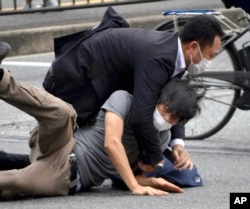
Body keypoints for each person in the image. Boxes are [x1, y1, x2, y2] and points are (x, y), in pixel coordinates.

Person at [42, 7, 224, 169]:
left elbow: (173, 99)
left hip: (92, 80)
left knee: (63, 161)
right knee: (59, 158)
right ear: (193, 47)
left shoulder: (174, 53)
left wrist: (178, 144)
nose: (209, 62)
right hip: (71, 80)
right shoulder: (161, 58)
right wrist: (156, 161)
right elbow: (140, 116)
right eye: (210, 55)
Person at [0, 68, 202, 200]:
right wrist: (135, 186)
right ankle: (2, 80)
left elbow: (126, 177)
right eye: (166, 109)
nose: (166, 118)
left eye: (175, 118)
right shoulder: (124, 100)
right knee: (63, 113)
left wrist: (149, 180)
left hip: (66, 176)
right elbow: (111, 143)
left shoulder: (161, 139)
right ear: (158, 99)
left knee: (15, 182)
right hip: (61, 143)